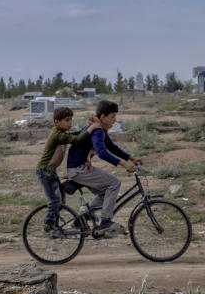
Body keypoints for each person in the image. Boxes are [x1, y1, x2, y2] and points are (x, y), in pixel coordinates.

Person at [66, 99, 142, 235]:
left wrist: (131, 158)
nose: (115, 120)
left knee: (105, 192)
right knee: (114, 183)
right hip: (79, 169)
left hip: (79, 167)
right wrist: (124, 164)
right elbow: (101, 152)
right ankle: (105, 221)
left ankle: (82, 217)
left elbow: (111, 146)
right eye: (112, 117)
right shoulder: (97, 130)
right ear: (103, 117)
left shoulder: (99, 128)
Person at [36, 107, 97, 237]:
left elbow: (76, 134)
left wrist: (88, 126)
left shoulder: (62, 132)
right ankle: (48, 227)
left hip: (51, 172)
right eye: (67, 120)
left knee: (61, 200)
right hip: (45, 172)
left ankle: (55, 226)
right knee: (54, 200)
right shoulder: (57, 134)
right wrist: (91, 129)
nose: (70, 123)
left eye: (71, 120)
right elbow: (77, 140)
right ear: (57, 122)